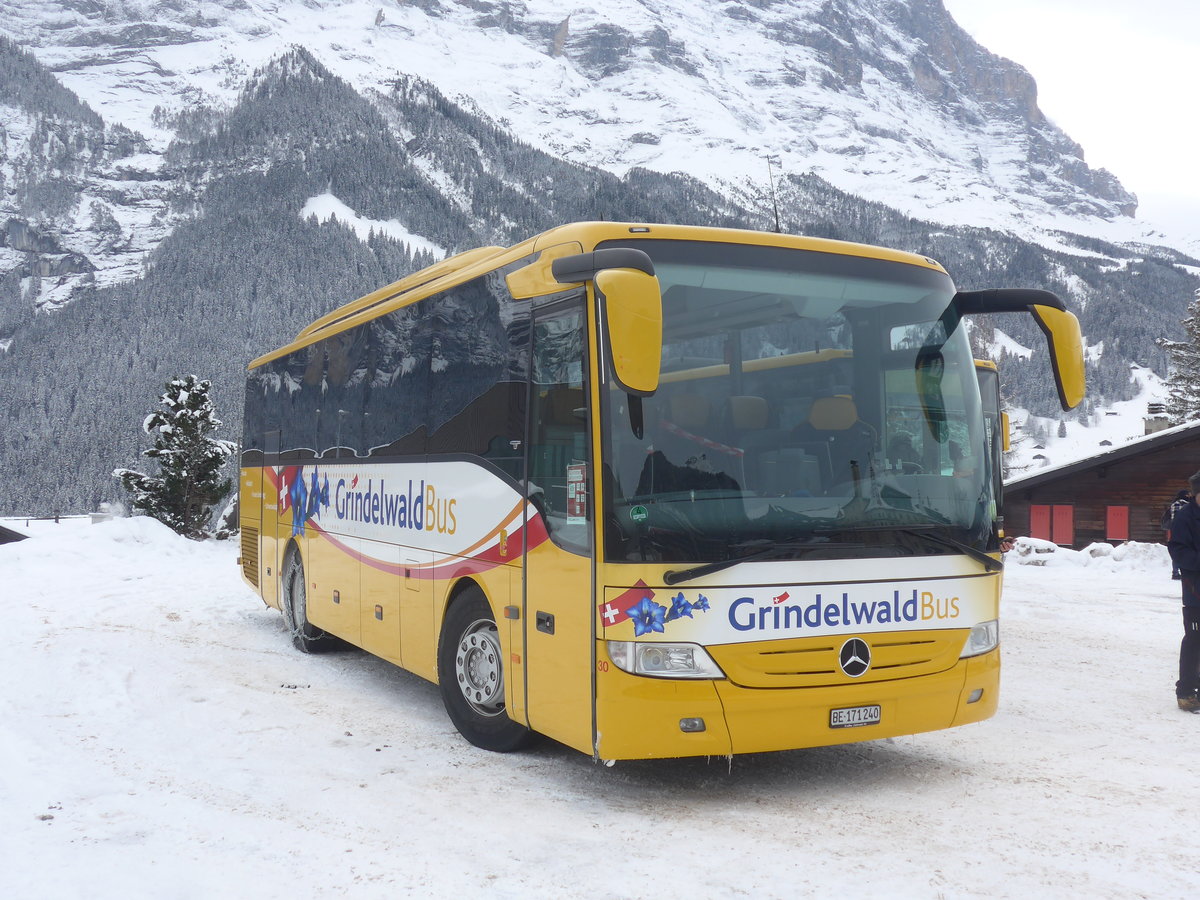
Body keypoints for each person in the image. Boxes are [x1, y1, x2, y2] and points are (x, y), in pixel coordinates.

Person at [1166, 472, 1200, 712]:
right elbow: (1178, 551)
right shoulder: (1186, 517)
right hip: (1195, 588)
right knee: (1195, 640)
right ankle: (1186, 692)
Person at [1163, 489, 1192, 579]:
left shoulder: (1174, 504)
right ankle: (1182, 572)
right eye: (1188, 494)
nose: (1190, 496)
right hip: (1185, 532)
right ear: (1185, 495)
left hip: (1175, 532)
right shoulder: (1185, 505)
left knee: (1178, 551)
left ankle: (1175, 573)